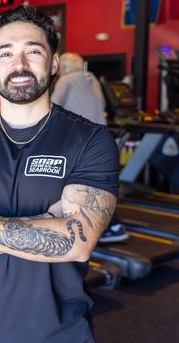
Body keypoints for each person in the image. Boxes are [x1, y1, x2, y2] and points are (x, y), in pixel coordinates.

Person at [0, 5, 118, 342]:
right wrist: (49, 223)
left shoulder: (90, 139)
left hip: (60, 331)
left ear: (54, 62)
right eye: (6, 53)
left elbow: (77, 242)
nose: (20, 65)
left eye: (33, 51)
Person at [52, 52, 128, 243]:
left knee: (75, 184)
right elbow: (101, 103)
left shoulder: (66, 80)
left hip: (78, 140)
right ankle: (113, 225)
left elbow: (51, 107)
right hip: (100, 137)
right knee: (94, 184)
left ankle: (109, 226)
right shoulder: (91, 78)